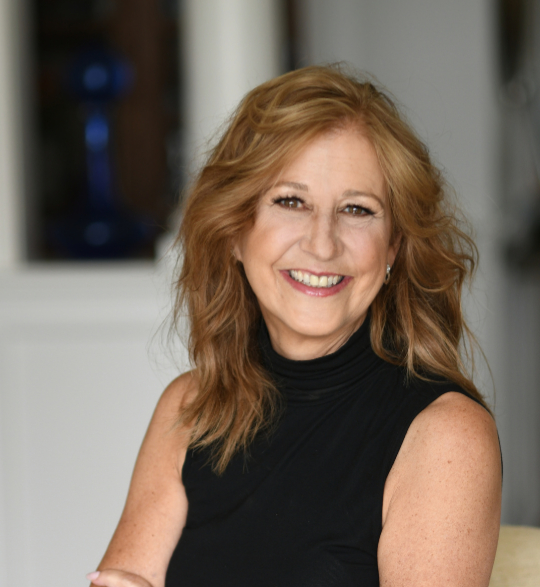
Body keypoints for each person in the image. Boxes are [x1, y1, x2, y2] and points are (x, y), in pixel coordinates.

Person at [87, 64, 502, 587]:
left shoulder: (447, 437)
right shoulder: (189, 409)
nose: (322, 244)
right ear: (234, 231)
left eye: (357, 209)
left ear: (394, 247)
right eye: (290, 201)